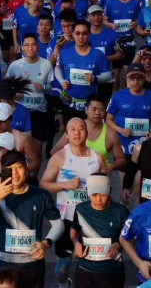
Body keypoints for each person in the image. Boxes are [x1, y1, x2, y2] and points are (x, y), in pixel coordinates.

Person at [0, 150, 64, 288]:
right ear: (2, 171)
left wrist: (46, 243)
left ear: (26, 169)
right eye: (9, 169)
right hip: (4, 265)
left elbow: (58, 225)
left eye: (19, 167)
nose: (15, 173)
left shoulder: (41, 195)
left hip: (33, 266)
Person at [40, 118, 105, 288]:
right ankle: (63, 284)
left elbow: (106, 187)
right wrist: (65, 184)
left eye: (81, 128)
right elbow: (44, 184)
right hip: (66, 218)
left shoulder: (96, 158)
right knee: (61, 270)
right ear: (66, 135)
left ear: (87, 133)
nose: (77, 132)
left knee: (92, 265)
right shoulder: (60, 156)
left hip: (91, 218)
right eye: (73, 129)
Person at [70, 173, 130, 288]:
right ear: (87, 191)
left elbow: (130, 238)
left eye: (103, 194)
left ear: (110, 190)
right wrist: (76, 242)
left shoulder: (121, 211)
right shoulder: (80, 209)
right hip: (85, 270)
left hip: (112, 271)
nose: (98, 199)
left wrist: (117, 245)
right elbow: (74, 230)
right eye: (94, 194)